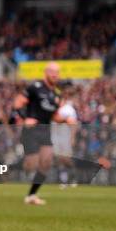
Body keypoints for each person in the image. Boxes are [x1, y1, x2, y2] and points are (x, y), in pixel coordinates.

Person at [13, 62, 69, 205]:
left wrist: (65, 120)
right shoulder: (35, 87)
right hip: (31, 131)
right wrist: (26, 118)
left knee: (46, 162)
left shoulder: (57, 93)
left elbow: (55, 116)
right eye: (52, 71)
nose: (55, 75)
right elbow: (17, 104)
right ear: (46, 72)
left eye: (57, 72)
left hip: (45, 131)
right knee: (31, 165)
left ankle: (31, 195)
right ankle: (9, 167)